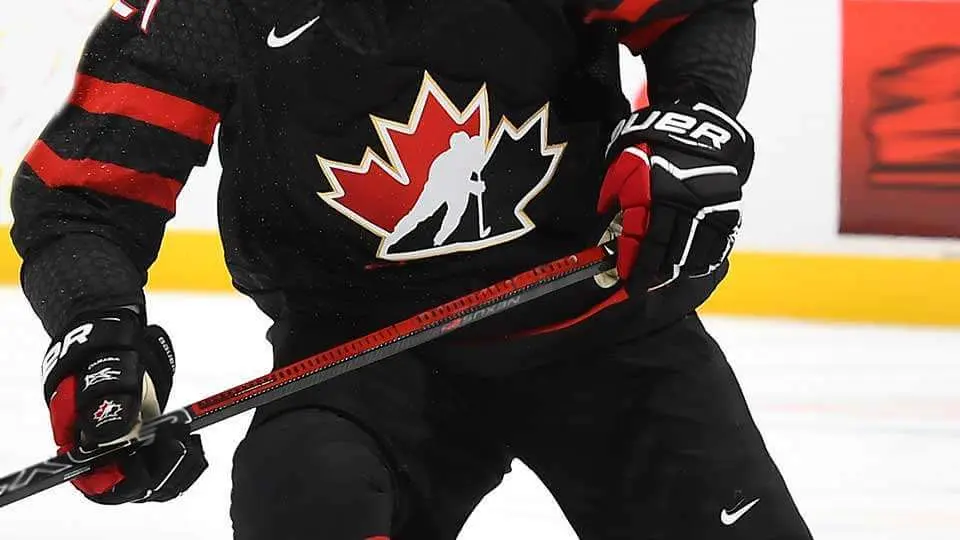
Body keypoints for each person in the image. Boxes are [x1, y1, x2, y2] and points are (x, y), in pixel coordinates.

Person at [10, 0, 813, 538]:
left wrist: (691, 117)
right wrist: (98, 336)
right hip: (362, 353)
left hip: (598, 327)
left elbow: (692, 10)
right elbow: (84, 195)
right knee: (303, 497)